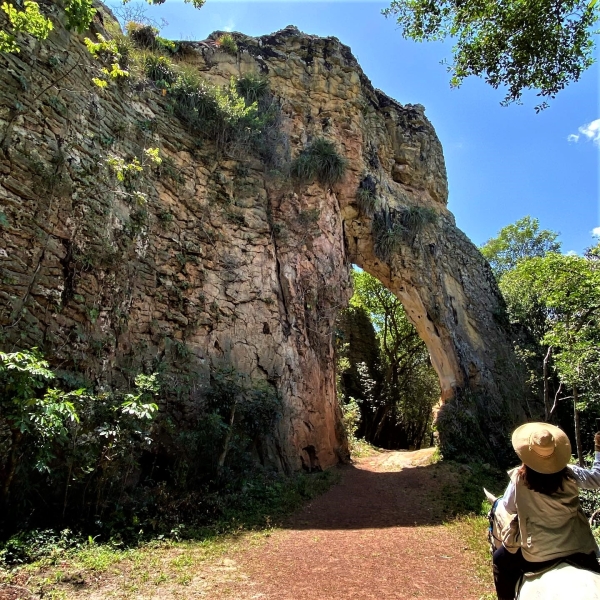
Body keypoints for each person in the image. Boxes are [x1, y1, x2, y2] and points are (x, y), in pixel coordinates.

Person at [493, 422, 600, 600]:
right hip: (578, 548)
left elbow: (507, 507)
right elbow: (597, 479)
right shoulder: (571, 474)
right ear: (556, 453)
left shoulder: (519, 479)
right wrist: (598, 449)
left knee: (500, 561)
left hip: (536, 554)